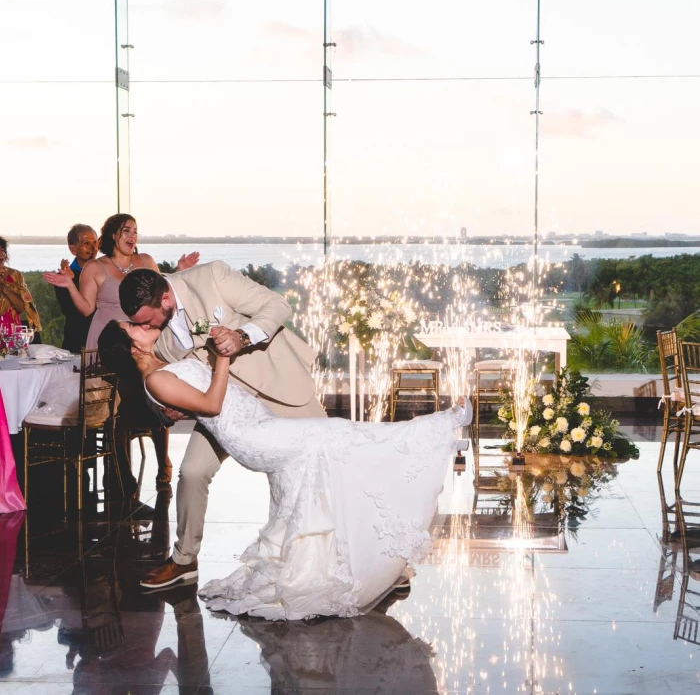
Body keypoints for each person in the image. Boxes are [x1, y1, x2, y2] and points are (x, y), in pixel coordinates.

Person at [98, 319, 471, 620]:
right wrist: (221, 356)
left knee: (327, 466)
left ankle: (344, 559)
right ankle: (433, 430)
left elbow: (187, 401)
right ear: (133, 347)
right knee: (341, 435)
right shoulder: (156, 378)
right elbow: (211, 406)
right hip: (254, 437)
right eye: (131, 326)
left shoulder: (160, 370)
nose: (138, 323)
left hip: (258, 425)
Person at [117, 263, 325, 589]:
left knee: (327, 461)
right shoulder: (153, 334)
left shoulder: (211, 277)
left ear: (166, 301)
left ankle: (374, 558)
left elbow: (277, 305)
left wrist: (242, 336)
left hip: (278, 385)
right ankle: (184, 560)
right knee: (193, 471)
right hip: (223, 408)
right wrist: (164, 411)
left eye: (146, 319)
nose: (141, 326)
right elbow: (159, 381)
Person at [42, 214, 199, 496]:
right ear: (114, 234)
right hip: (110, 346)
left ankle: (163, 461)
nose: (133, 236)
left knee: (156, 399)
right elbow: (87, 309)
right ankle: (120, 472)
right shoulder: (95, 267)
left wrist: (179, 271)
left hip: (143, 343)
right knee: (118, 410)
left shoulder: (146, 262)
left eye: (136, 231)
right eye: (127, 231)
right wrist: (69, 286)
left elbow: (164, 294)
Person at [53, 224, 98, 353]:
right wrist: (71, 281)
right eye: (86, 243)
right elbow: (71, 311)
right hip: (77, 340)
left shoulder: (103, 271)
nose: (93, 248)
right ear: (73, 249)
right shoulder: (63, 278)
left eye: (95, 242)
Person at [0, 236, 41, 338]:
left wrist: (5, 288)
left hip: (12, 331)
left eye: (3, 250)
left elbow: (21, 307)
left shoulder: (15, 275)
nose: (1, 253)